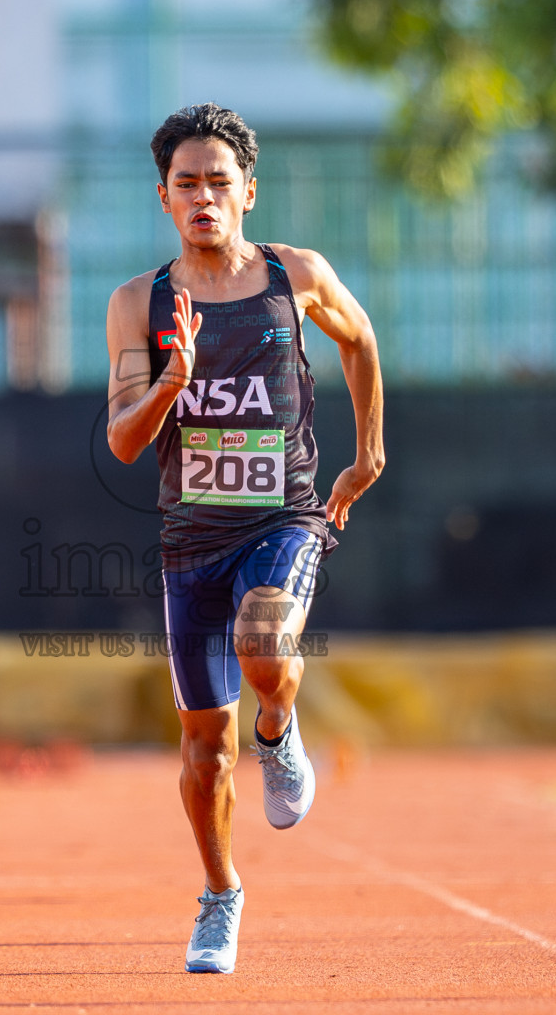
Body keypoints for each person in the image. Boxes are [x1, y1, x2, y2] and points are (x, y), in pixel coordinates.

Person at [104, 103, 384, 974]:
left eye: (219, 183)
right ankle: (220, 895)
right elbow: (122, 439)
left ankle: (280, 723)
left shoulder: (293, 275)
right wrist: (171, 382)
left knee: (264, 639)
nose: (203, 198)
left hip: (284, 517)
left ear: (249, 192)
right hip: (190, 542)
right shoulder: (138, 303)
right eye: (185, 185)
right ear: (163, 198)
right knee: (200, 748)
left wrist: (368, 450)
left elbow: (361, 338)